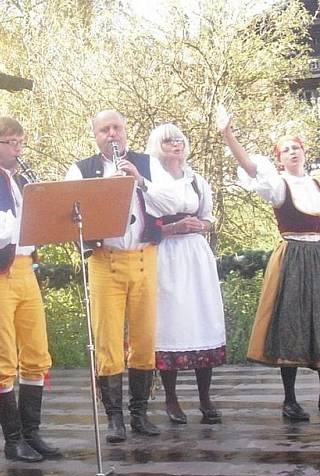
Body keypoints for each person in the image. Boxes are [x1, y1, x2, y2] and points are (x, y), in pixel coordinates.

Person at [0, 116, 60, 463]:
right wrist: (23, 218)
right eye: (11, 142)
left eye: (21, 142)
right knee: (3, 357)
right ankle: (12, 439)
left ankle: (32, 434)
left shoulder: (20, 183)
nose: (18, 149)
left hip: (24, 270)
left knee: (36, 353)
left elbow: (28, 230)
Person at [64, 109, 161, 443]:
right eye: (105, 130)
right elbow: (67, 212)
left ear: (125, 130)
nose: (112, 134)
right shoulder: (81, 169)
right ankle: (114, 419)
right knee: (107, 341)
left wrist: (140, 181)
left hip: (144, 258)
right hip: (105, 260)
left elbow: (169, 202)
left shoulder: (148, 163)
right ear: (96, 135)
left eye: (117, 128)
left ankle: (140, 414)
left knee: (145, 338)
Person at [219, 111, 320, 422]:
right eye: (286, 149)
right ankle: (290, 400)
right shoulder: (278, 184)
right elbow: (249, 166)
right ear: (280, 158)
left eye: (296, 147)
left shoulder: (317, 182)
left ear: (305, 152)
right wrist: (227, 134)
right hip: (293, 257)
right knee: (291, 324)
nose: (292, 152)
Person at [144, 124, 226, 424]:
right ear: (157, 145)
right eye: (168, 141)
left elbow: (207, 217)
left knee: (203, 318)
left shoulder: (196, 180)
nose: (175, 145)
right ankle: (171, 397)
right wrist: (174, 228)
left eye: (179, 140)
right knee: (170, 322)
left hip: (194, 254)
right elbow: (144, 225)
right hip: (166, 253)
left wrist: (198, 226)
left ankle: (205, 396)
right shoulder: (149, 180)